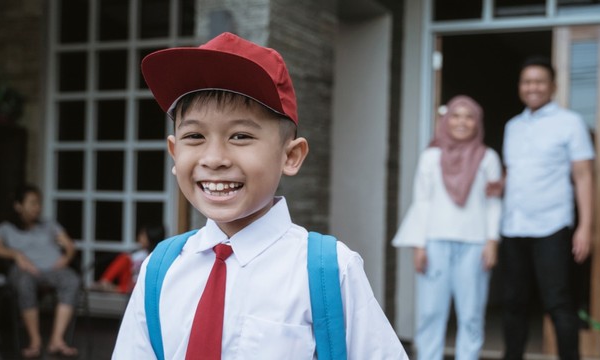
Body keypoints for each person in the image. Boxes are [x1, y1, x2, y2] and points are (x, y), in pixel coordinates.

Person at [112, 32, 408, 359]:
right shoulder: (161, 268)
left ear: (291, 156)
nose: (213, 158)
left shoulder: (328, 271)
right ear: (173, 152)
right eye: (194, 136)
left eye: (240, 136)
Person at [392, 95, 502, 360]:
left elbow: (493, 204)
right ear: (445, 120)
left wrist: (492, 241)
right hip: (434, 243)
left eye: (469, 116)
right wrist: (419, 244)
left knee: (471, 314)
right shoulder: (431, 157)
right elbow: (422, 202)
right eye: (455, 115)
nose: (462, 122)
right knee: (430, 312)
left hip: (475, 245)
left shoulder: (488, 158)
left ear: (477, 122)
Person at [500, 56, 595, 360]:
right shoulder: (512, 126)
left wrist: (585, 227)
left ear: (552, 86)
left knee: (558, 303)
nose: (533, 87)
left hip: (552, 226)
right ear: (519, 87)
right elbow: (514, 173)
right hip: (513, 226)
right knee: (513, 304)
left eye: (539, 81)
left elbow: (583, 176)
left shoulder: (570, 123)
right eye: (527, 81)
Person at [0, 184, 80, 358]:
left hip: (53, 270)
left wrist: (65, 258)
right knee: (24, 282)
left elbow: (69, 245)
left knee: (72, 280)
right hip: (26, 272)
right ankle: (35, 342)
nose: (38, 207)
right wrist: (16, 255)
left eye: (39, 203)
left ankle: (57, 341)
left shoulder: (48, 224)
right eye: (33, 203)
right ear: (18, 206)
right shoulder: (6, 228)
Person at [94, 223, 166, 293]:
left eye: (143, 235)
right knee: (123, 258)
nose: (139, 237)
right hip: (130, 291)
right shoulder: (136, 255)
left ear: (151, 236)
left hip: (145, 291)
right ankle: (104, 283)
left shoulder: (160, 257)